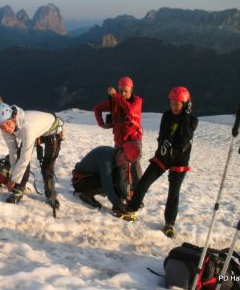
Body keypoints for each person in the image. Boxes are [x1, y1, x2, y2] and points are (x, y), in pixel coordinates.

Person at [120, 86, 198, 238]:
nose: (173, 106)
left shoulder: (192, 121)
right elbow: (162, 134)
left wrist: (186, 117)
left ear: (186, 104)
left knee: (173, 193)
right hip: (163, 157)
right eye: (172, 102)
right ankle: (132, 208)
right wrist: (162, 144)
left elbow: (184, 138)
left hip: (180, 160)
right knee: (144, 183)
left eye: (177, 103)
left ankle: (169, 223)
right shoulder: (167, 116)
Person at [0, 102, 64, 209]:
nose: (6, 128)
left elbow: (25, 158)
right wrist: (13, 177)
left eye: (8, 124)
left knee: (47, 166)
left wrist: (13, 179)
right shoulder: (6, 126)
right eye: (1, 127)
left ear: (13, 118)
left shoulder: (27, 128)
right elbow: (13, 151)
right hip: (39, 128)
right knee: (19, 156)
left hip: (53, 129)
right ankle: (18, 190)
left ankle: (51, 195)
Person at [94, 76, 143, 194]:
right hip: (119, 141)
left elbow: (130, 110)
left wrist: (115, 96)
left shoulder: (137, 101)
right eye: (121, 90)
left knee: (134, 165)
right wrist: (101, 123)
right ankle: (123, 192)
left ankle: (138, 193)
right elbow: (98, 108)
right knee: (120, 168)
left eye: (126, 90)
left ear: (131, 90)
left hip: (133, 140)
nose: (123, 93)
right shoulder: (115, 102)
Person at [72, 142, 141, 212]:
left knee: (116, 176)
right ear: (120, 151)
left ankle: (90, 192)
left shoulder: (116, 156)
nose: (125, 162)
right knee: (110, 178)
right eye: (125, 157)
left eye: (128, 161)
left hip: (90, 178)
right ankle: (86, 194)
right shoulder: (106, 158)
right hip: (80, 182)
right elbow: (107, 185)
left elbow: (119, 180)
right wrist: (118, 204)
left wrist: (126, 197)